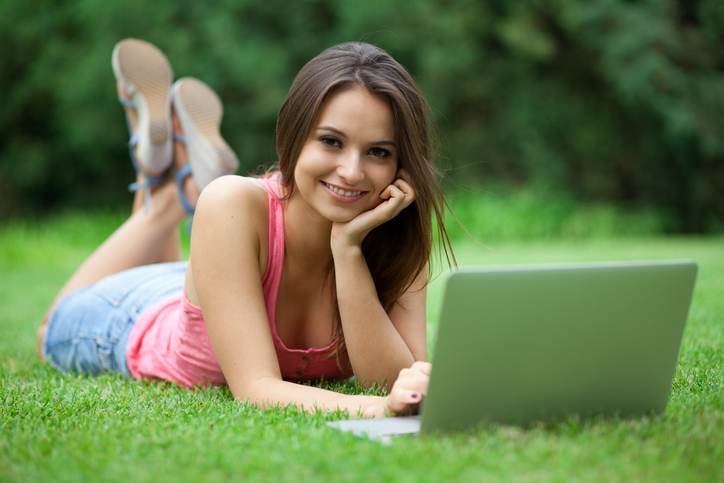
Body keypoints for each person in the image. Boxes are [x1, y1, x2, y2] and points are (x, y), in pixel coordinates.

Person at [36, 39, 455, 418]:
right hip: (129, 318)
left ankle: (166, 172)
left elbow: (400, 383)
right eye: (330, 141)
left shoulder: (396, 229)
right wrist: (376, 409)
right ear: (292, 137)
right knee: (48, 333)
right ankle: (166, 196)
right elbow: (256, 389)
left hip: (224, 280)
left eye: (378, 152)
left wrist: (348, 252)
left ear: (401, 165)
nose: (351, 171)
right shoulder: (232, 204)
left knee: (199, 257)